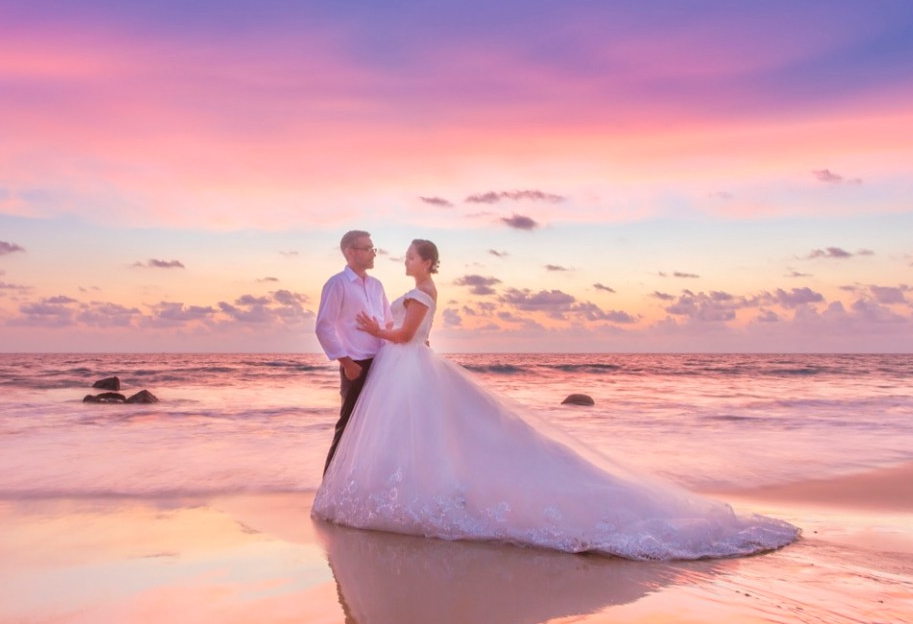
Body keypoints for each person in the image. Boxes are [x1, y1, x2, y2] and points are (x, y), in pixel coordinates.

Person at [313, 239, 799, 560]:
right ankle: (370, 489)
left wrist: (380, 330)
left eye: (410, 256)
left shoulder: (418, 293)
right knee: (400, 434)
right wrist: (358, 349)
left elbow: (405, 335)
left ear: (425, 261)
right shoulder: (382, 287)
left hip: (403, 365)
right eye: (387, 252)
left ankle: (410, 494)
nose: (399, 259)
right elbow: (389, 333)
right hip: (396, 370)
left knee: (433, 434)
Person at [315, 229, 388, 474]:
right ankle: (328, 489)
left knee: (376, 429)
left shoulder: (377, 286)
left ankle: (362, 486)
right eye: (367, 248)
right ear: (350, 252)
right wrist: (346, 362)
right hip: (356, 366)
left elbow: (388, 323)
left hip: (382, 364)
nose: (373, 253)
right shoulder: (337, 284)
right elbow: (323, 327)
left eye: (372, 248)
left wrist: (412, 340)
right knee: (347, 427)